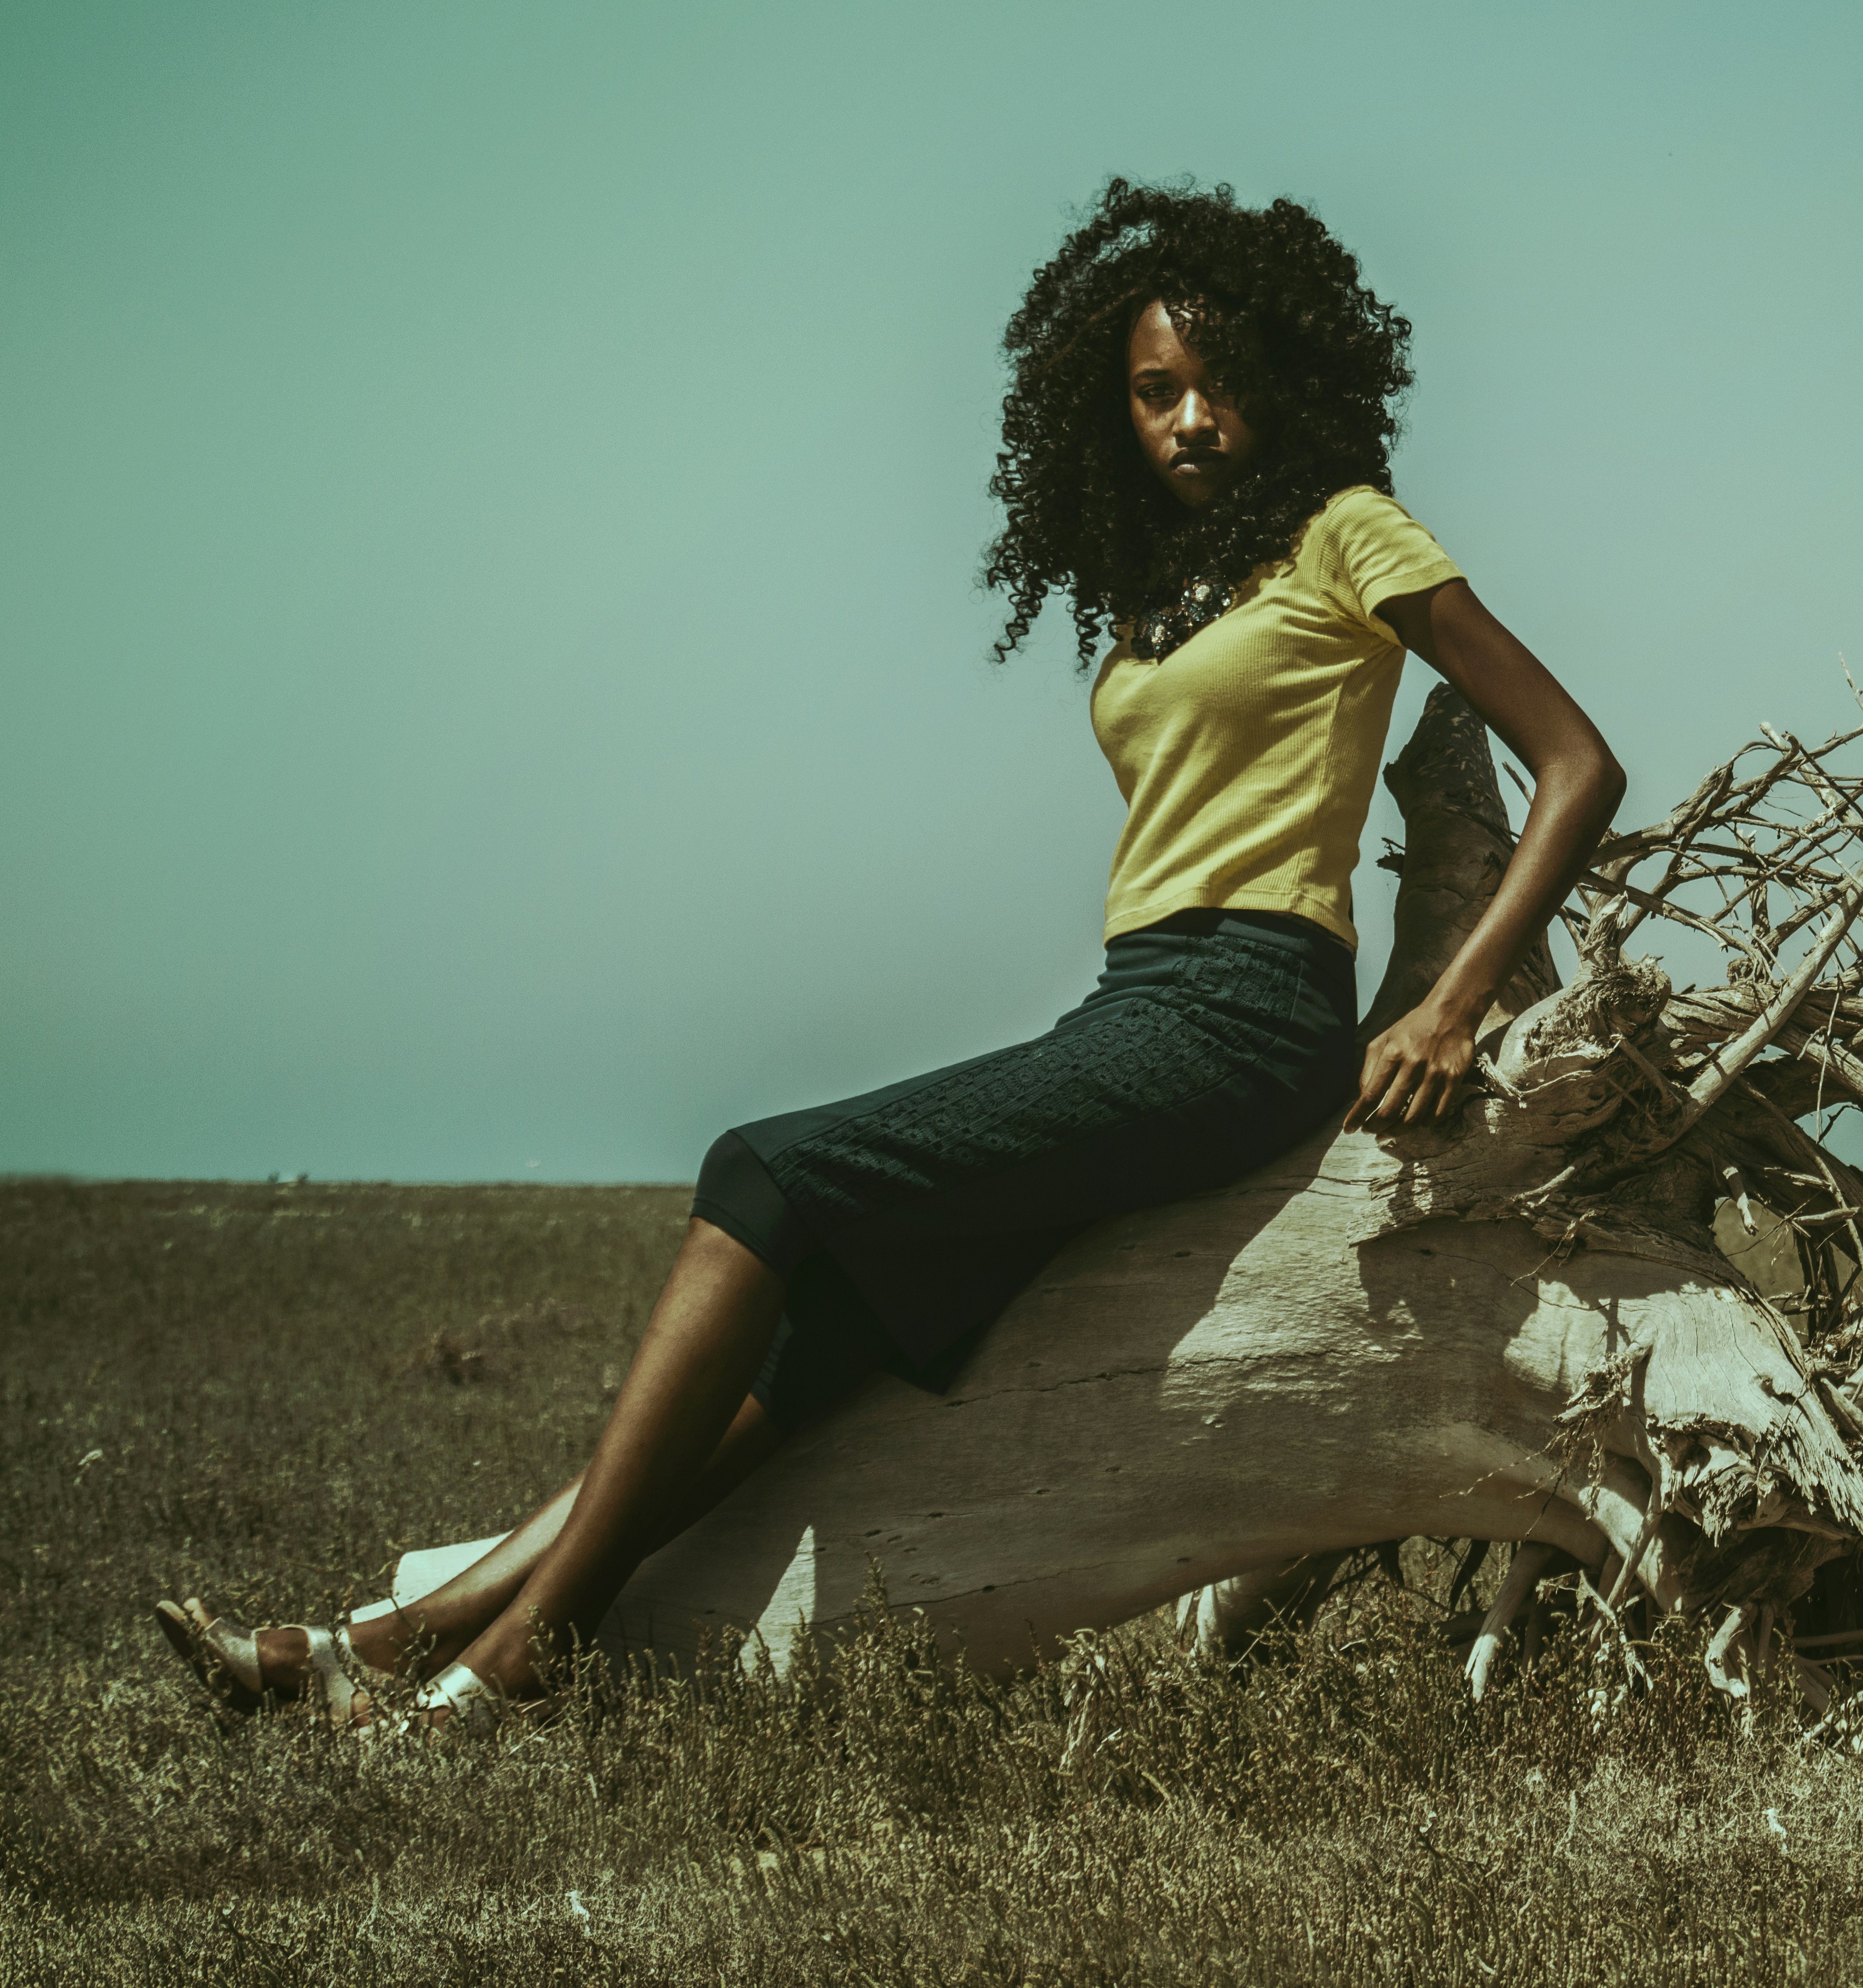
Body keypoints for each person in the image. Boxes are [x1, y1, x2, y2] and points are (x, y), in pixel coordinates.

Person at [153, 178, 1625, 1731]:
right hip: (1138, 1003)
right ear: (1109, 408)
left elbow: (1579, 762)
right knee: (825, 1332)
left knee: (765, 1175)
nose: (1192, 419)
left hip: (1252, 1015)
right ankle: (360, 1653)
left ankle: (510, 1671)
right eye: (1155, 392)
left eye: (1222, 384)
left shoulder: (1350, 534)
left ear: (1291, 381)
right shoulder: (1164, 590)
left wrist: (1453, 1004)